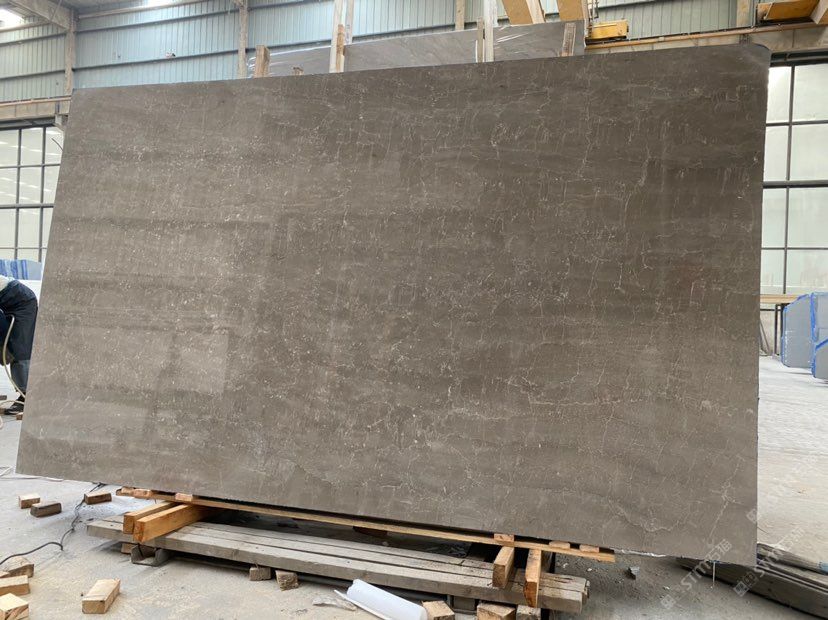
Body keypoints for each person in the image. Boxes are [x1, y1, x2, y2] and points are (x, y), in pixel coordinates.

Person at [0, 275, 38, 414]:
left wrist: (2, 346)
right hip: (7, 301)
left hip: (24, 303)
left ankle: (25, 396)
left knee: (19, 348)